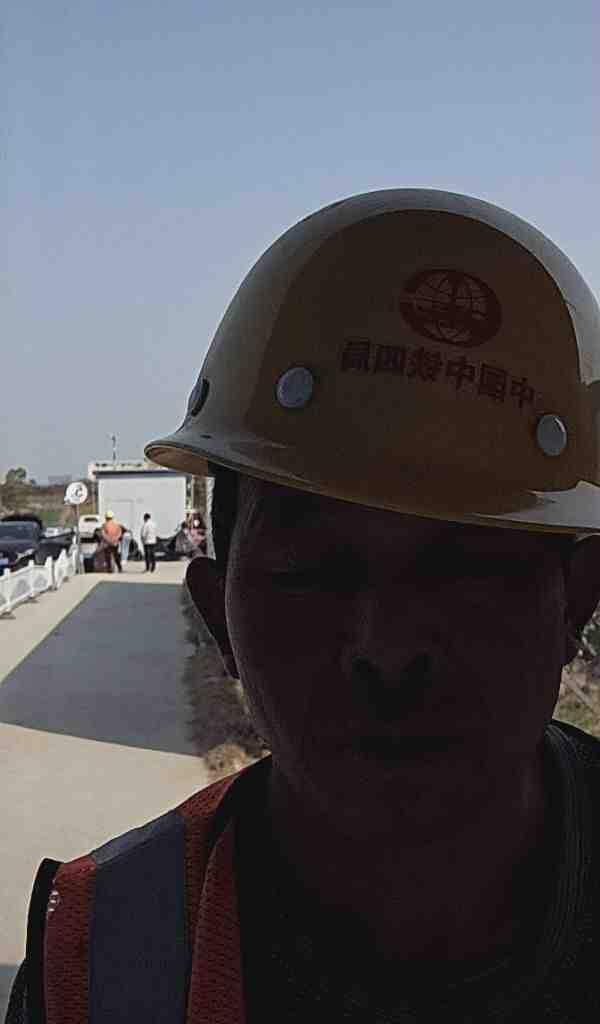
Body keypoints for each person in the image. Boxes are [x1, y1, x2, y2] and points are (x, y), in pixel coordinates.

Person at [7, 190, 600, 1022]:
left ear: (577, 599)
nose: (386, 648)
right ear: (218, 616)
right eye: (311, 573)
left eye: (466, 569)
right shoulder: (101, 958)